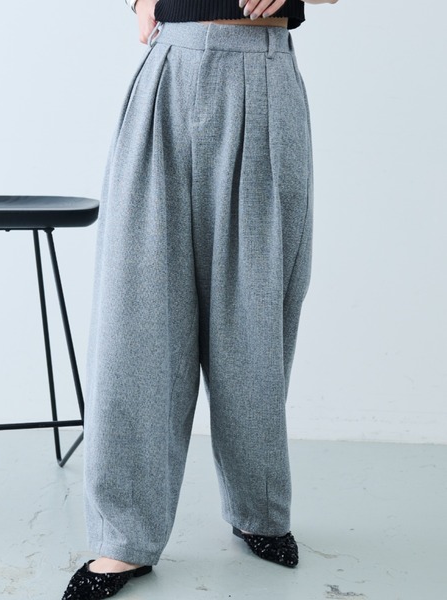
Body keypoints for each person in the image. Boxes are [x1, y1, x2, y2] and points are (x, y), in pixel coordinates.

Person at [61, 0, 338, 598]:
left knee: (255, 316)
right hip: (168, 72)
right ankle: (122, 538)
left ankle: (259, 508)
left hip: (263, 74)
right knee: (136, 313)